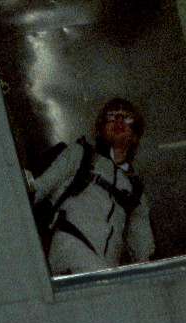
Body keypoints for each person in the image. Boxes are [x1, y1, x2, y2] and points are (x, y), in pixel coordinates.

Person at [27, 97, 153, 275]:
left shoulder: (135, 191)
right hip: (71, 249)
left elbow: (143, 249)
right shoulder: (80, 154)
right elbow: (39, 188)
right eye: (112, 116)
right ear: (100, 129)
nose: (118, 120)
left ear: (134, 135)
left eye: (126, 117)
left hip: (106, 269)